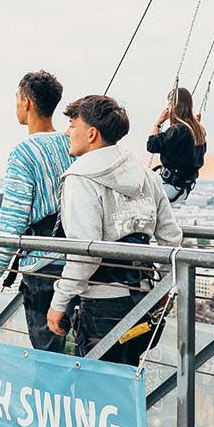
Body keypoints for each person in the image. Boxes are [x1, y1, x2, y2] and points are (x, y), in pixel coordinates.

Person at [47, 95, 182, 366]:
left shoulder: (81, 178)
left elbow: (85, 252)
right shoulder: (147, 176)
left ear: (92, 134)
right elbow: (171, 238)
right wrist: (164, 290)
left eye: (72, 125)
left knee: (98, 385)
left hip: (101, 303)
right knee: (125, 378)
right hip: (141, 296)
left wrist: (59, 302)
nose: (68, 132)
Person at [0, 71, 74, 352]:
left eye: (17, 99)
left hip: (43, 267)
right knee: (82, 356)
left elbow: (13, 220)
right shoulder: (71, 144)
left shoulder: (24, 152)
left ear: (28, 102)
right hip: (77, 262)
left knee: (49, 357)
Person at [146, 87, 207, 203]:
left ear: (173, 107)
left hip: (170, 187)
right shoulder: (199, 130)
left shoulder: (178, 131)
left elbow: (151, 145)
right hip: (183, 189)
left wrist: (158, 122)